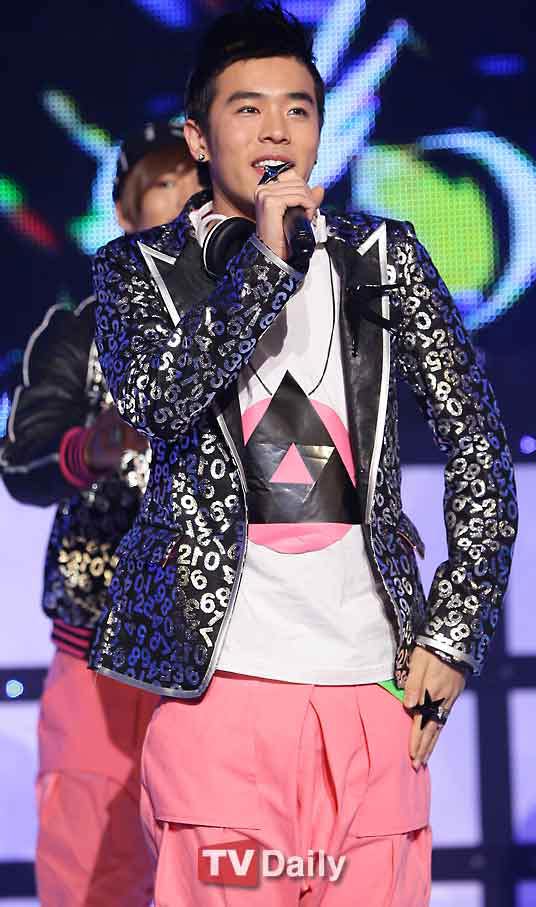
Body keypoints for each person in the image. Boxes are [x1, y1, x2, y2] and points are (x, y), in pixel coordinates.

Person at [89, 4, 518, 905]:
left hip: (374, 693)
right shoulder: (137, 272)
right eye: (247, 109)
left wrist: (453, 630)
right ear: (198, 138)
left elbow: (478, 442)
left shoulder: (386, 257)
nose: (277, 129)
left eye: (298, 108)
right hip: (220, 694)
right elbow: (161, 403)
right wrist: (267, 265)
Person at [0, 120, 203, 907]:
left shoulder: (264, 330)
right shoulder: (78, 334)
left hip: (223, 659)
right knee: (92, 875)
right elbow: (23, 464)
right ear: (124, 212)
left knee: (224, 871)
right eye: (164, 187)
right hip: (95, 654)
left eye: (200, 190)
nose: (184, 206)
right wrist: (92, 447)